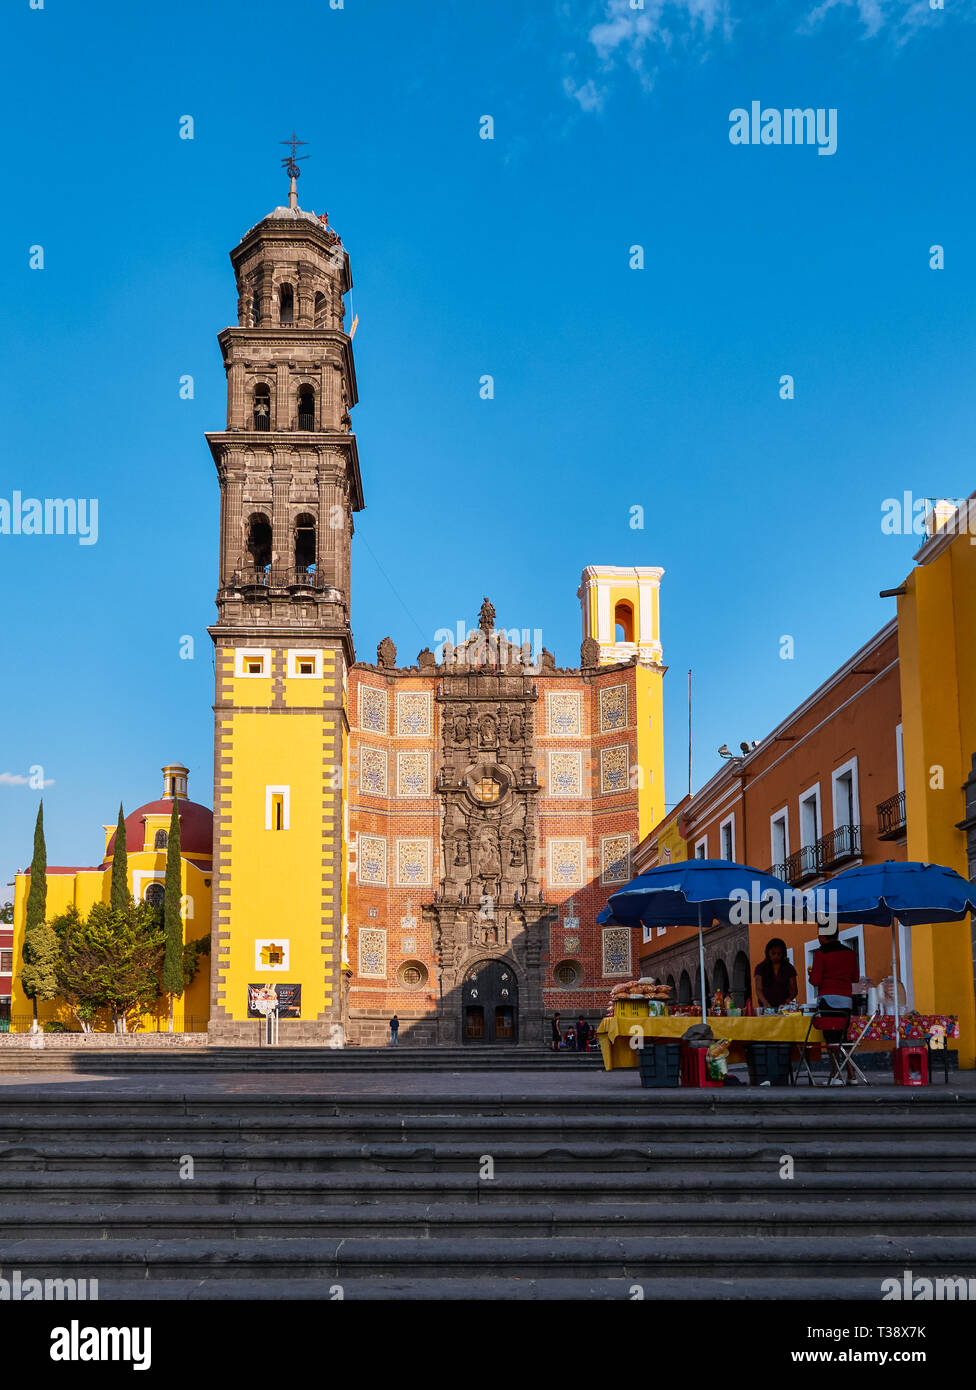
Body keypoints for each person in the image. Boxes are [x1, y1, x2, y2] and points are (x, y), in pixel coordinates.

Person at [808, 925, 860, 1084]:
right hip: (846, 1001)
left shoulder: (821, 954)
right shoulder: (850, 953)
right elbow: (855, 978)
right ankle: (852, 1075)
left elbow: (815, 981)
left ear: (823, 936)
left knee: (831, 1039)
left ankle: (836, 1075)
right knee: (844, 1038)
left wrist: (811, 975)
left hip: (828, 1001)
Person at [754, 938, 799, 1011]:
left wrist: (788, 1000)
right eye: (773, 953)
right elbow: (758, 989)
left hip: (784, 1007)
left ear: (783, 954)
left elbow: (794, 990)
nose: (776, 956)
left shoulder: (789, 968)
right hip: (766, 1008)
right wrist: (765, 1003)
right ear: (768, 952)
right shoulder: (760, 968)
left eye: (779, 954)